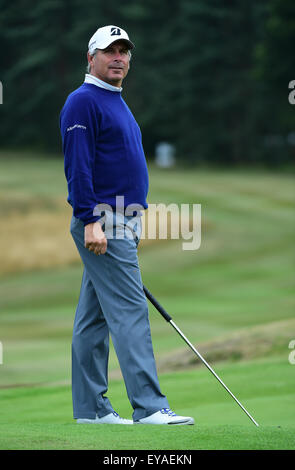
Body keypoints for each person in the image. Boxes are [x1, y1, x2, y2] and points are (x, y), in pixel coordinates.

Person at [59, 25, 194, 425]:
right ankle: (150, 407)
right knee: (131, 311)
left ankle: (92, 410)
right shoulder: (83, 101)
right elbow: (77, 168)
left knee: (93, 320)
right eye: (109, 51)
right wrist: (89, 220)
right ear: (91, 57)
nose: (119, 57)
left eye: (124, 51)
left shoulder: (114, 100)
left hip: (120, 220)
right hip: (104, 219)